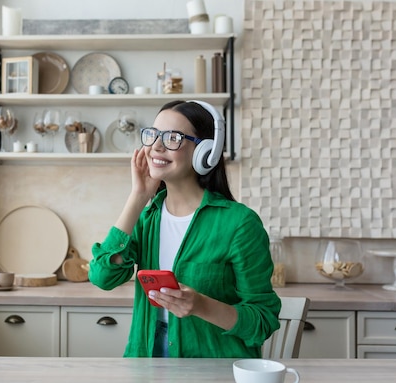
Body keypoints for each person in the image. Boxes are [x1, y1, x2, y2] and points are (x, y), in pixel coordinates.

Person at [89, 100, 281, 358]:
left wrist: (202, 305)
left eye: (173, 138)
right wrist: (137, 197)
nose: (156, 146)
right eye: (153, 135)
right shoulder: (147, 218)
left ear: (205, 152)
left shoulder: (239, 224)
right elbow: (103, 277)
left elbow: (262, 321)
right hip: (147, 362)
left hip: (213, 371)